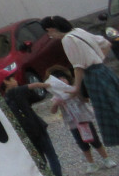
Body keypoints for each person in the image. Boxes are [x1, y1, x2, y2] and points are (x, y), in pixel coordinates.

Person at [41, 15, 119, 147]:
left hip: (94, 77)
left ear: (51, 30)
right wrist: (99, 58)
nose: (50, 36)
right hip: (104, 71)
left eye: (48, 33)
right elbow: (107, 43)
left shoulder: (67, 39)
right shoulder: (79, 31)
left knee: (110, 111)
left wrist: (76, 87)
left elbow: (78, 67)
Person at [29, 65, 117, 173]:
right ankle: (91, 163)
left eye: (63, 78)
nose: (62, 81)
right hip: (72, 124)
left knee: (94, 139)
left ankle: (106, 158)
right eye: (59, 80)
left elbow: (85, 99)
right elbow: (53, 111)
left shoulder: (75, 90)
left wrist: (78, 95)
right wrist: (56, 104)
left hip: (84, 119)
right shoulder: (57, 96)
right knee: (82, 144)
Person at [0, 67, 65, 176]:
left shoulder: (5, 101)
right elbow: (33, 85)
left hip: (27, 134)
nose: (15, 79)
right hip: (37, 128)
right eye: (12, 78)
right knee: (52, 156)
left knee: (40, 161)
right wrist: (47, 85)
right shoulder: (18, 91)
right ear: (6, 82)